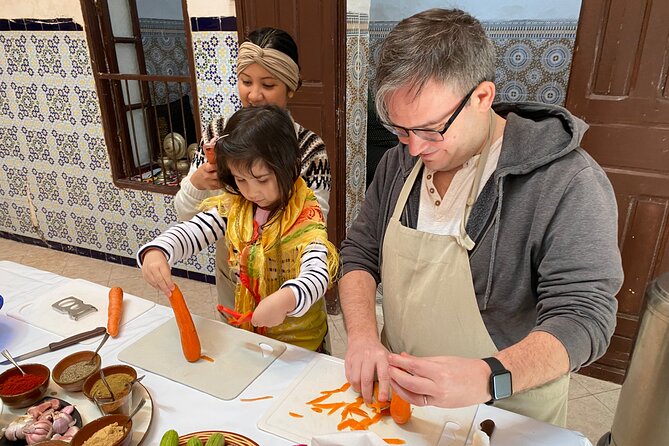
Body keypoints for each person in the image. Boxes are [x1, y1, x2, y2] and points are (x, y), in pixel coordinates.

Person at [339, 8, 623, 426]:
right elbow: (359, 255)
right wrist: (362, 337)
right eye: (401, 130)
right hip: (405, 404)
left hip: (507, 411)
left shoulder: (567, 181)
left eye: (432, 130)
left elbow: (584, 316)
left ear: (482, 97)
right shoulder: (399, 164)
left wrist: (490, 377)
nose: (414, 149)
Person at [140, 105, 338, 351]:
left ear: (290, 165)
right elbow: (194, 230)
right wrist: (160, 250)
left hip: (302, 345)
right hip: (252, 337)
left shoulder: (306, 214)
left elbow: (318, 273)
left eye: (263, 179)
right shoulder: (238, 206)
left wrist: (290, 297)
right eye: (241, 179)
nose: (252, 191)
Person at [174, 27, 331, 311]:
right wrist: (196, 184)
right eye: (246, 81)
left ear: (291, 87)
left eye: (268, 85)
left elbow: (314, 226)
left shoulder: (308, 147)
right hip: (234, 269)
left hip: (290, 276)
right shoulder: (218, 135)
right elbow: (187, 215)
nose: (254, 95)